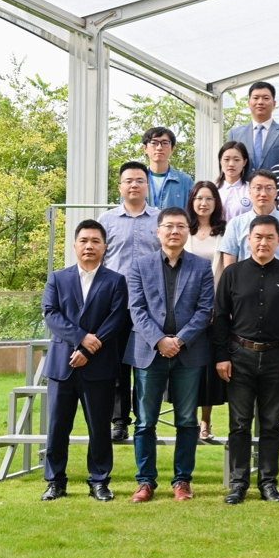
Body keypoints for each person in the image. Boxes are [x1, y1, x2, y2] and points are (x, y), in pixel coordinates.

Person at [124, 207, 215, 503]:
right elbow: (136, 309)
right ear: (158, 231)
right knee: (144, 420)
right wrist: (159, 340)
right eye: (168, 226)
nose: (174, 231)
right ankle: (145, 481)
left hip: (189, 353)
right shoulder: (140, 266)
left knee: (186, 420)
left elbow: (205, 310)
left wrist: (181, 340)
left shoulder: (201, 267)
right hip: (149, 352)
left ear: (188, 231)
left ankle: (182, 480)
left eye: (180, 226)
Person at [39, 220, 129, 502]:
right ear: (75, 245)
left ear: (104, 247)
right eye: (84, 240)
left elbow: (117, 318)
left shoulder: (115, 281)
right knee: (57, 428)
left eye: (95, 241)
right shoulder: (57, 278)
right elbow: (51, 314)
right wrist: (81, 338)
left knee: (99, 429)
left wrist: (89, 349)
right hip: (62, 366)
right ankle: (55, 482)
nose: (89, 246)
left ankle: (99, 481)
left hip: (99, 367)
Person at [213, 215, 279, 504]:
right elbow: (221, 317)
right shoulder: (233, 273)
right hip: (240, 355)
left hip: (278, 357)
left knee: (272, 424)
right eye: (258, 237)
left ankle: (268, 483)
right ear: (248, 239)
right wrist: (222, 356)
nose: (263, 242)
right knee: (239, 423)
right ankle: (238, 483)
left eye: (270, 237)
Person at [99, 161, 160, 442]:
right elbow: (98, 261)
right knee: (117, 366)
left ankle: (146, 422)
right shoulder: (106, 220)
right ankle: (120, 420)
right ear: (120, 186)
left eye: (139, 180)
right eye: (128, 181)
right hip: (115, 305)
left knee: (146, 366)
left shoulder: (160, 219)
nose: (134, 185)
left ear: (147, 185)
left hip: (151, 305)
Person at [183, 182, 227, 441]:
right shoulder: (184, 230)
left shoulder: (224, 231)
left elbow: (226, 270)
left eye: (209, 198)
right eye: (199, 198)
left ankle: (205, 422)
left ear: (216, 202)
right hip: (186, 309)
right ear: (192, 201)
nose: (203, 203)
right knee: (189, 367)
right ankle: (187, 420)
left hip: (215, 308)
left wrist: (217, 307)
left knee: (209, 368)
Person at [219, 168, 279, 267]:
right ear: (249, 191)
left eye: (269, 188)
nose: (263, 194)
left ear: (276, 193)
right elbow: (229, 265)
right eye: (258, 188)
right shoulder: (236, 224)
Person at [227, 81, 279, 174]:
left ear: (274, 103)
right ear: (249, 103)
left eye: (266, 98)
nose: (260, 102)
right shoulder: (235, 134)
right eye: (256, 98)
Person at [141, 126, 194, 209]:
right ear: (145, 148)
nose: (159, 148)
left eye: (165, 143)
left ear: (172, 148)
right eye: (154, 143)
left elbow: (192, 212)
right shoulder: (136, 180)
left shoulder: (185, 181)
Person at [217, 141, 251, 223]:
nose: (231, 164)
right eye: (226, 159)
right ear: (220, 161)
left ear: (244, 162)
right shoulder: (213, 189)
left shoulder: (251, 189)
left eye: (236, 160)